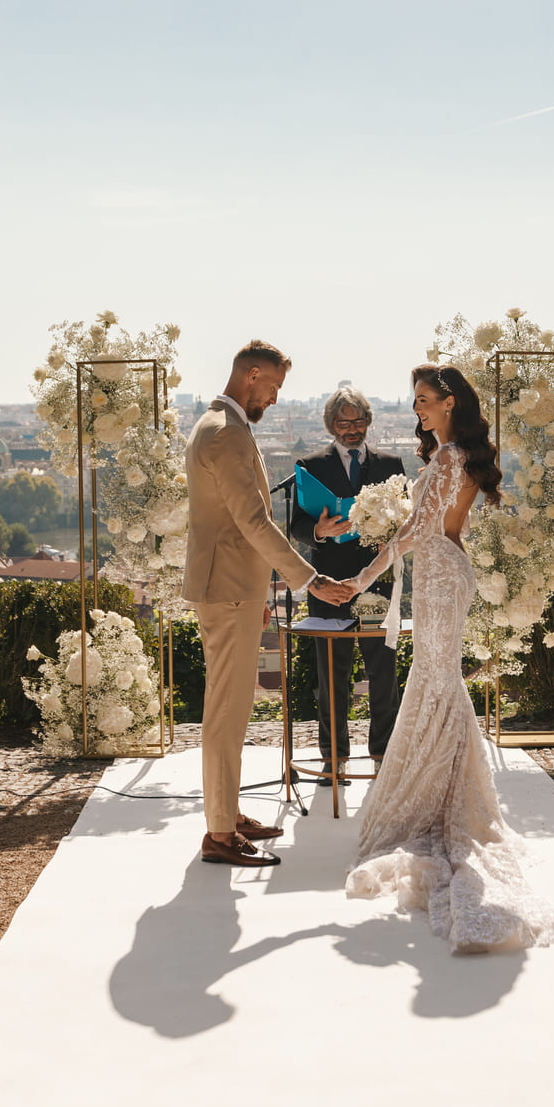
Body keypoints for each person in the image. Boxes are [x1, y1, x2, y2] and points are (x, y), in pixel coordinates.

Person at [342, 364, 554, 955]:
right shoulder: (457, 453)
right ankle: (450, 796)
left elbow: (420, 528)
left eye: (423, 400)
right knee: (438, 683)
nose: (416, 409)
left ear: (448, 402)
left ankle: (438, 804)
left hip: (440, 573)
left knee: (437, 681)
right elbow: (436, 526)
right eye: (414, 400)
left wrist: (365, 574)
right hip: (446, 569)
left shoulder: (447, 459)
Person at [183, 341, 354, 868]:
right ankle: (219, 833)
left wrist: (263, 591)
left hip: (236, 586)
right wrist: (308, 579)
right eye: (274, 389)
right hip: (228, 588)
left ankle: (228, 815)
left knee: (232, 710)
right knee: (226, 712)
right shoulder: (226, 434)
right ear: (252, 375)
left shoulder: (220, 425)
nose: (275, 401)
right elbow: (253, 522)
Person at [290, 386, 406, 782]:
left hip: (377, 583)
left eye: (358, 422)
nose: (352, 429)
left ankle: (383, 754)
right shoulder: (310, 464)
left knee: (383, 673)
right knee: (330, 677)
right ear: (330, 425)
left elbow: (405, 520)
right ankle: (333, 759)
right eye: (344, 423)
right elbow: (297, 527)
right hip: (330, 585)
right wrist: (319, 531)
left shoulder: (391, 463)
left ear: (369, 422)